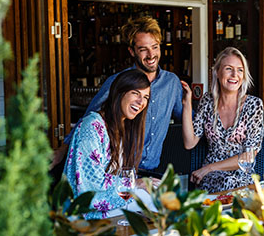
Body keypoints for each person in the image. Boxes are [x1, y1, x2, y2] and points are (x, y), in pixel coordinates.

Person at [52, 16, 183, 173]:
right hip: (120, 171)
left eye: (155, 47)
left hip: (153, 170)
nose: (151, 55)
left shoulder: (172, 82)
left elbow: (185, 118)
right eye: (143, 49)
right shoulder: (118, 82)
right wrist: (61, 152)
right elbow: (87, 121)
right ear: (132, 51)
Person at [64, 69, 151, 219]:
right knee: (152, 204)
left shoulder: (125, 127)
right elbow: (89, 186)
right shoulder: (92, 126)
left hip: (110, 205)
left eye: (145, 97)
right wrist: (134, 184)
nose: (141, 102)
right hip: (85, 213)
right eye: (136, 93)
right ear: (119, 92)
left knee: (158, 199)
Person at [182, 47, 264, 193]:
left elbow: (249, 156)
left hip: (240, 175)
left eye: (240, 70)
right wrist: (187, 103)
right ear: (217, 72)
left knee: (231, 184)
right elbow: (189, 143)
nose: (235, 75)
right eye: (228, 69)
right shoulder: (207, 101)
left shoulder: (254, 105)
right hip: (210, 178)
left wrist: (209, 167)